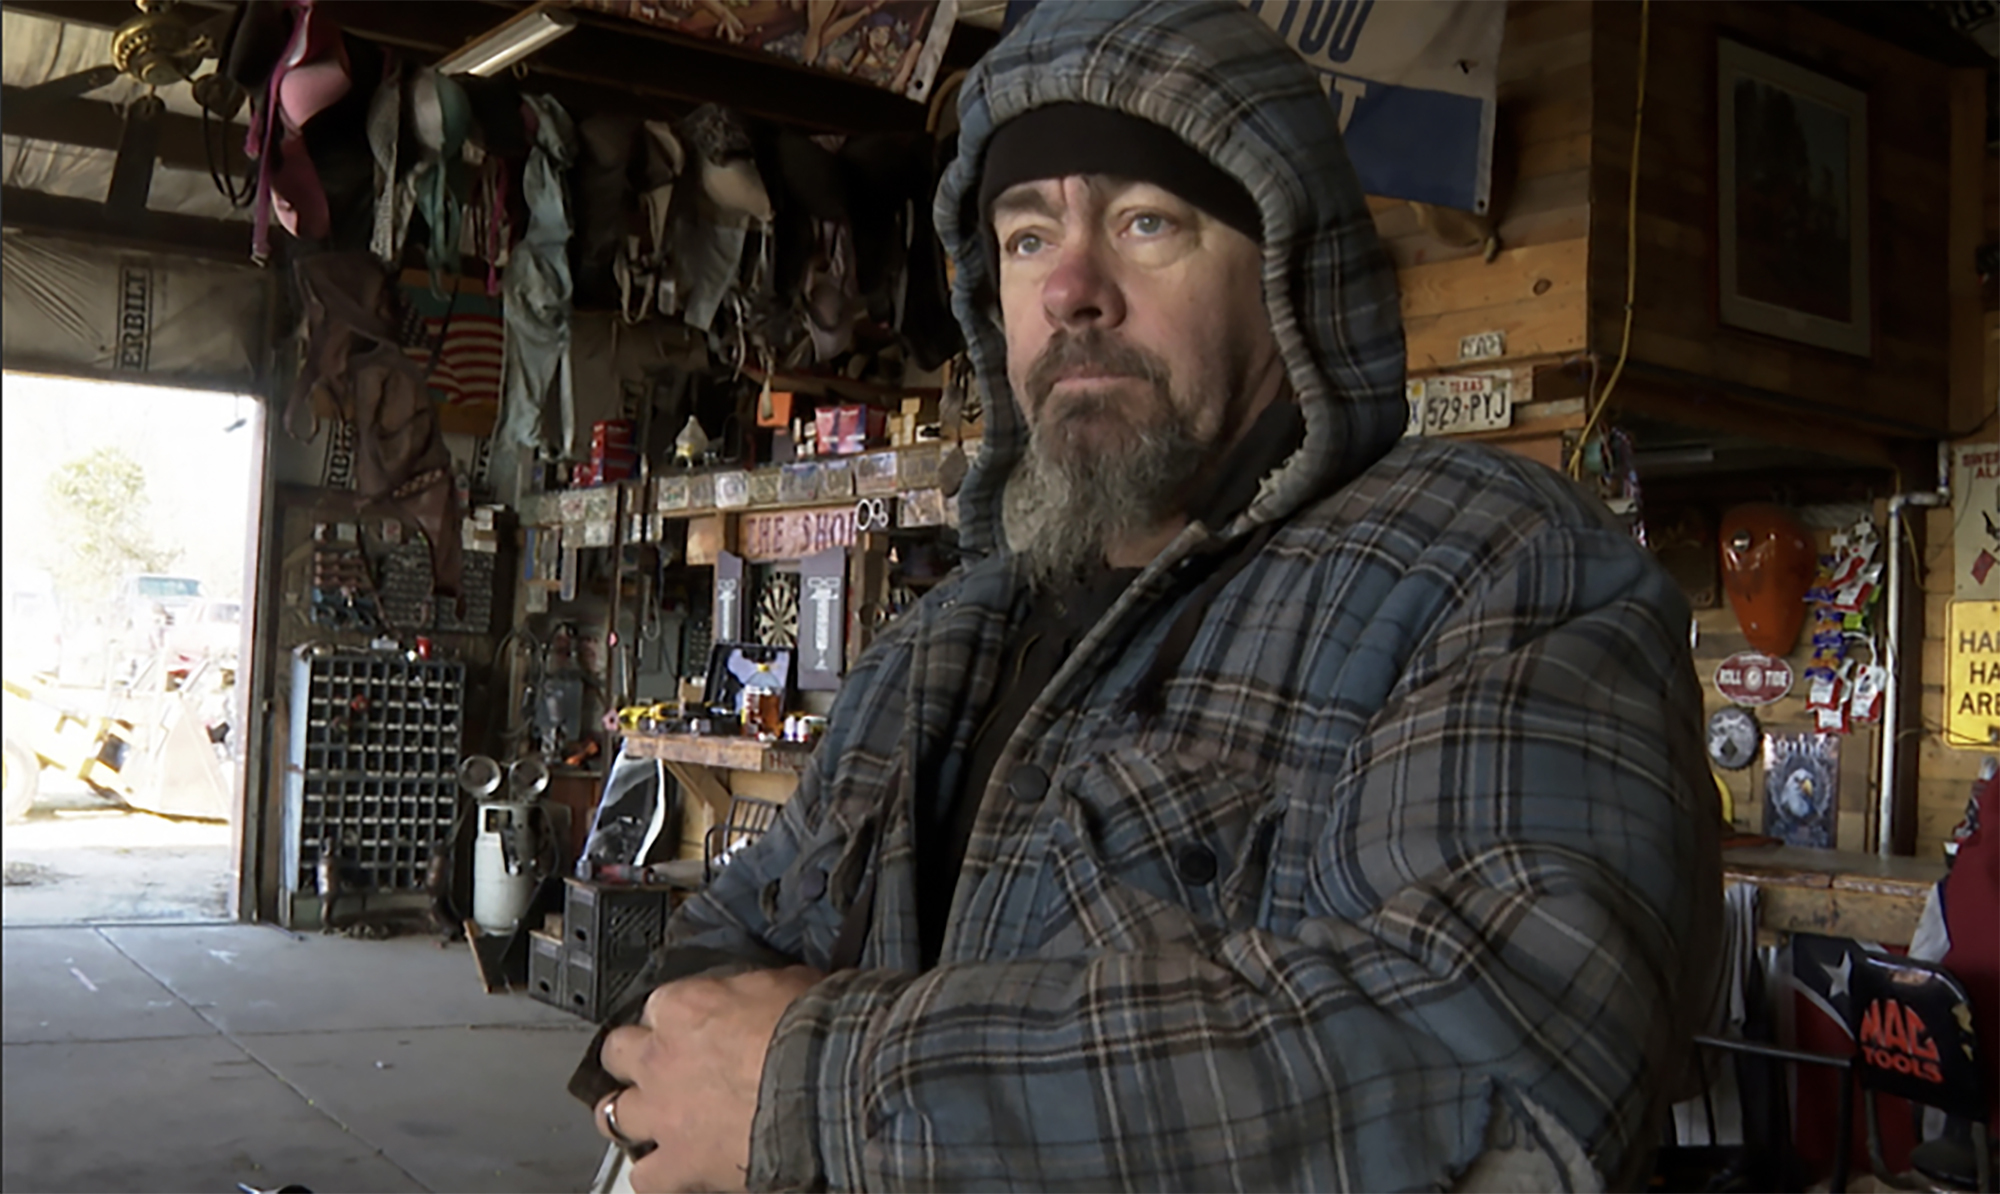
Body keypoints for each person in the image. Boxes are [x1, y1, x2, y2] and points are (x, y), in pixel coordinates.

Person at [571, 2, 1723, 1190]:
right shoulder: (940, 644)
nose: (1072, 287)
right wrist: (670, 1065)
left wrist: (820, 1088)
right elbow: (735, 936)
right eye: (1025, 238)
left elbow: (1492, 1065)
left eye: (1144, 222)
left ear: (1284, 273)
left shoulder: (1483, 569)